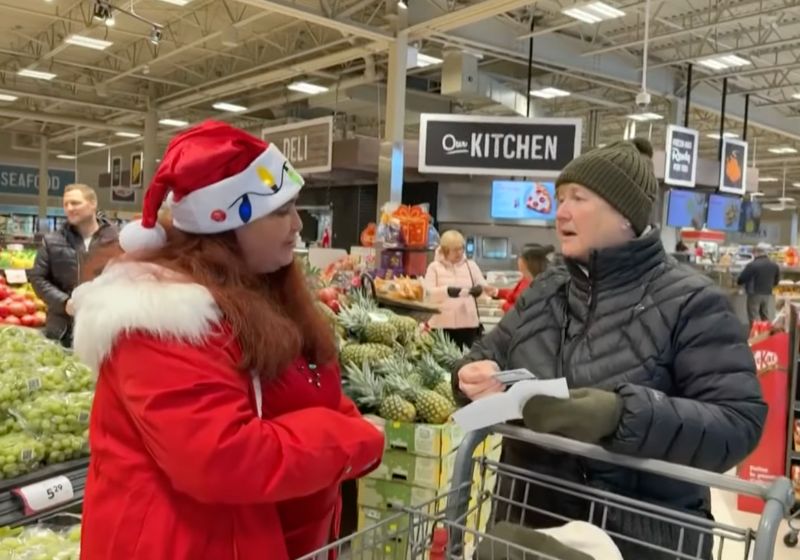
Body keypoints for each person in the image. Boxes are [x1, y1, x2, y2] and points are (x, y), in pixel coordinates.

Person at [71, 121, 384, 560]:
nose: (298, 225)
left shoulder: (257, 289)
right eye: (280, 212)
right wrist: (354, 440)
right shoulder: (161, 316)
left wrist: (348, 426)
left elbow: (308, 390)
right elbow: (219, 457)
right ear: (224, 222)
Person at [453, 139, 766, 559]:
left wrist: (620, 414)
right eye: (561, 198)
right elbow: (484, 357)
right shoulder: (545, 291)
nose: (560, 210)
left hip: (636, 541)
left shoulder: (692, 303)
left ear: (624, 215)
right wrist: (472, 375)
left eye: (578, 198)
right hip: (526, 531)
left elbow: (738, 423)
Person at [29, 183, 118, 347]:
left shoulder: (117, 240)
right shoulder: (52, 241)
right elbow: (37, 277)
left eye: (75, 203)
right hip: (63, 330)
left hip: (107, 329)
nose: (69, 208)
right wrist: (64, 302)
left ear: (93, 204)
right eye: (65, 204)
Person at [424, 230, 497, 349]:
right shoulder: (434, 268)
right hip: (441, 324)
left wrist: (482, 290)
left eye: (461, 248)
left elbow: (482, 284)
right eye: (455, 250)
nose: (459, 252)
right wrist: (446, 291)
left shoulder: (471, 265)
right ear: (445, 250)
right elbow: (427, 294)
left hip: (468, 324)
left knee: (464, 360)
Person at [494, 244, 553, 312]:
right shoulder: (526, 278)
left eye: (520, 257)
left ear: (525, 262)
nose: (518, 260)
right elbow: (515, 295)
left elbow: (525, 311)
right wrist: (497, 292)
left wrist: (504, 305)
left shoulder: (538, 286)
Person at [738, 243, 781, 325]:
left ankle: (756, 334)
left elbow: (742, 278)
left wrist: (739, 283)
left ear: (756, 253)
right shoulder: (774, 265)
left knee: (754, 314)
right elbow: (776, 280)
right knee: (764, 313)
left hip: (754, 292)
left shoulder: (752, 265)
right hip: (767, 292)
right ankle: (767, 332)